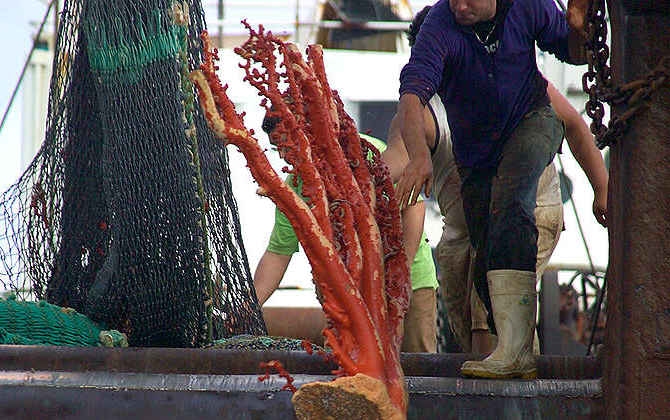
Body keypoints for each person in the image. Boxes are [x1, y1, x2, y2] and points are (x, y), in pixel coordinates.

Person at [384, 6, 608, 355]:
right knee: (471, 320)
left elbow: (576, 127)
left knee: (487, 301)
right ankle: (512, 370)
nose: (461, 8)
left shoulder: (521, 81)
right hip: (464, 231)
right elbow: (397, 147)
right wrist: (404, 165)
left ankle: (510, 386)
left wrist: (603, 189)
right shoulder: (427, 111)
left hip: (533, 208)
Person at [253, 131, 441, 353]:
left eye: (288, 145)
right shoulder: (294, 185)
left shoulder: (364, 152)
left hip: (409, 279)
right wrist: (250, 308)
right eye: (278, 148)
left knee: (418, 362)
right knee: (343, 362)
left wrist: (402, 276)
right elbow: (278, 253)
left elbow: (414, 207)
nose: (284, 156)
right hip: (344, 292)